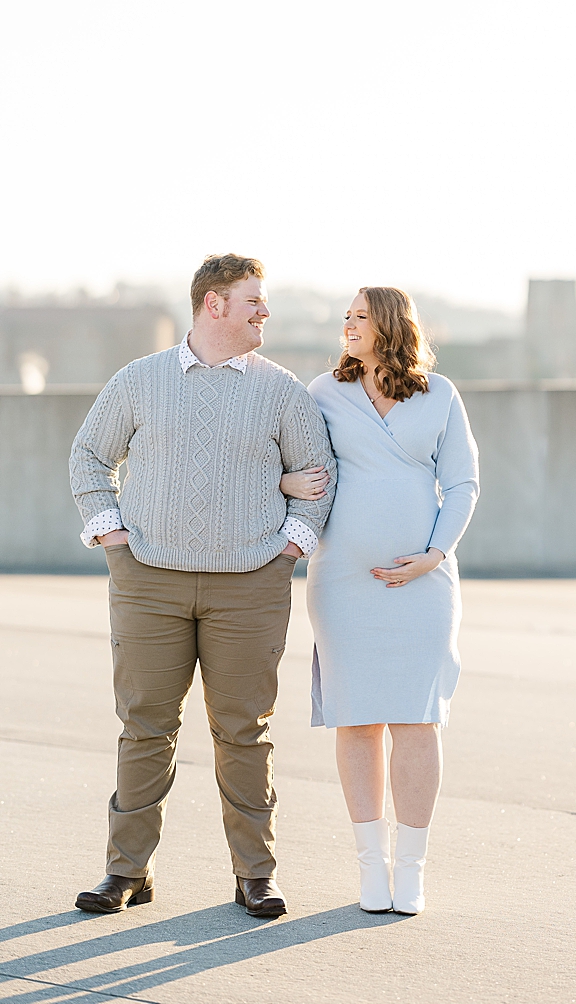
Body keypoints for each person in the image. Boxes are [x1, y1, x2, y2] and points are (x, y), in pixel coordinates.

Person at [69, 254, 336, 918]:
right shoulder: (139, 380)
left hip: (250, 586)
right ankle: (126, 872)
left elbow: (318, 471)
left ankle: (255, 875)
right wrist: (113, 540)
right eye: (254, 301)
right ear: (212, 304)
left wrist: (290, 548)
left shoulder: (283, 391)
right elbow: (89, 456)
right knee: (145, 728)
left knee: (245, 731)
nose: (264, 312)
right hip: (148, 581)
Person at [280, 286, 479, 915]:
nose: (348, 324)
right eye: (346, 316)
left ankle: (412, 870)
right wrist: (288, 480)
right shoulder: (323, 394)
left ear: (390, 324)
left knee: (418, 718)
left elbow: (464, 483)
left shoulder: (441, 396)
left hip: (423, 584)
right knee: (357, 718)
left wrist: (435, 554)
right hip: (343, 582)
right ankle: (371, 867)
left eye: (359, 316)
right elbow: (286, 461)